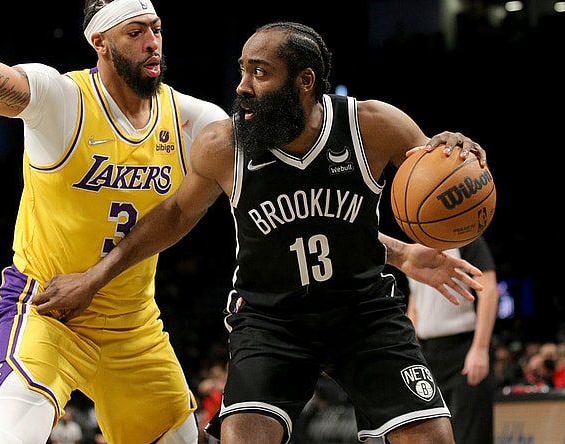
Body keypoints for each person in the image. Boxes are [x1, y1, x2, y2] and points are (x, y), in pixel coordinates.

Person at [34, 21, 491, 444]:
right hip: (272, 321)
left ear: (304, 81)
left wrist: (456, 153)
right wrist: (93, 278)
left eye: (260, 73)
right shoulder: (223, 146)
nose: (242, 87)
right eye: (243, 71)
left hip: (363, 313)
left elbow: (437, 168)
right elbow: (173, 215)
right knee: (244, 436)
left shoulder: (373, 126)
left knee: (431, 438)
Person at [0, 0, 230, 442]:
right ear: (99, 42)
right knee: (12, 437)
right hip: (48, 308)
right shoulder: (61, 99)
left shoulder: (195, 122)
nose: (153, 43)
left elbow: (196, 206)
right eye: (136, 32)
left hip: (132, 321)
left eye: (156, 29)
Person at [406, 235, 499, 444]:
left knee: (471, 436)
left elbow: (489, 290)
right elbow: (416, 303)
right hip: (427, 354)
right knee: (432, 436)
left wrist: (480, 348)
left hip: (464, 349)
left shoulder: (467, 240)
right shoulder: (414, 248)